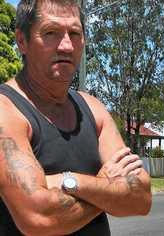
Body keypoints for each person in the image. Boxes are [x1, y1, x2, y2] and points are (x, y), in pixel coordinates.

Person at [0, 0, 152, 235]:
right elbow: (39, 217)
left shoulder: (93, 109)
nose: (66, 46)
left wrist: (69, 181)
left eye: (74, 33)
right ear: (22, 41)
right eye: (51, 33)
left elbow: (141, 199)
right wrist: (106, 186)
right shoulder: (6, 110)